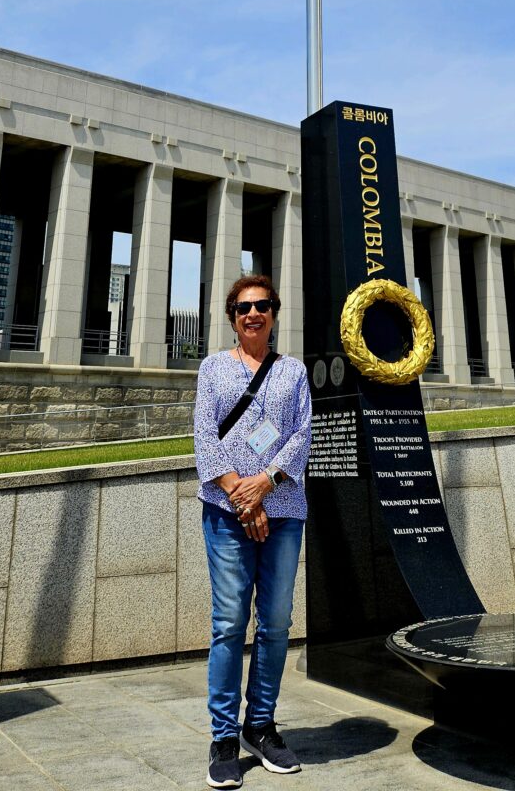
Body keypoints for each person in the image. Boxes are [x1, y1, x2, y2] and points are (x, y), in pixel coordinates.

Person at [194, 273, 312, 789]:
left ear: (274, 312)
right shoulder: (213, 368)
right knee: (228, 623)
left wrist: (265, 483)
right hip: (225, 510)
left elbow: (302, 434)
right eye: (243, 307)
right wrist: (241, 495)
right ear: (232, 317)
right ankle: (223, 736)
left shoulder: (293, 372)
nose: (253, 314)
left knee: (277, 623)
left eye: (262, 306)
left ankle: (259, 726)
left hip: (283, 507)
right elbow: (203, 436)